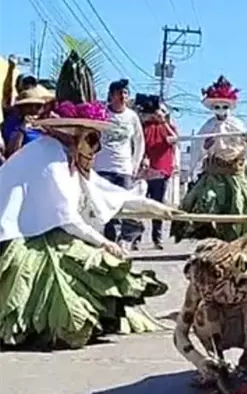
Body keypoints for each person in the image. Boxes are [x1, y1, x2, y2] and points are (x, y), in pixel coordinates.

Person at [0, 99, 176, 349]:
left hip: (51, 230)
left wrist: (155, 207)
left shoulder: (65, 154)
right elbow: (67, 218)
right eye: (92, 141)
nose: (97, 150)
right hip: (25, 235)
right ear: (74, 136)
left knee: (94, 263)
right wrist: (105, 243)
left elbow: (107, 194)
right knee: (28, 273)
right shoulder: (51, 160)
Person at [170, 76, 247, 242]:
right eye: (217, 107)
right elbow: (198, 150)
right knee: (205, 200)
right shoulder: (208, 127)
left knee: (241, 204)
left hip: (234, 173)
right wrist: (205, 146)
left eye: (224, 106)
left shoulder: (238, 125)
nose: (221, 110)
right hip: (214, 173)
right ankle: (206, 233)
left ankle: (240, 237)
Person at [93, 79, 145, 250]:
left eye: (125, 93)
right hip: (102, 167)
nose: (122, 96)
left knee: (126, 206)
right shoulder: (101, 113)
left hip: (123, 169)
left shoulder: (132, 117)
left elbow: (139, 141)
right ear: (111, 95)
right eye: (119, 93)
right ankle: (109, 240)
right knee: (105, 207)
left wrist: (135, 165)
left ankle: (127, 238)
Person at [137, 95, 178, 249]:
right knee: (140, 205)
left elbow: (175, 139)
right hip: (143, 171)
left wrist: (163, 122)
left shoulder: (167, 127)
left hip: (161, 171)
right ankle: (136, 238)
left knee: (157, 205)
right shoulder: (143, 127)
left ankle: (157, 238)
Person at [2, 81, 54, 158]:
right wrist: (23, 128)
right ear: (21, 108)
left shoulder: (45, 124)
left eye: (38, 106)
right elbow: (12, 153)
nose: (34, 109)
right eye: (29, 106)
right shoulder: (13, 123)